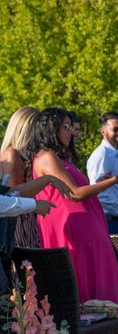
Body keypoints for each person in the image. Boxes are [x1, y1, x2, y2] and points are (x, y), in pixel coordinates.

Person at [28, 107, 118, 318]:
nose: (71, 132)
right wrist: (116, 180)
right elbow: (76, 193)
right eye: (66, 127)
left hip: (85, 229)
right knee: (86, 283)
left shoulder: (61, 159)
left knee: (97, 282)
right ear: (51, 129)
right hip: (73, 231)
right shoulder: (47, 156)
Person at [1, 106, 44, 248]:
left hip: (24, 218)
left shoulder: (19, 154)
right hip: (19, 224)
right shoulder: (12, 155)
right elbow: (14, 194)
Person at [86, 111, 118, 234]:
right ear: (103, 131)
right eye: (115, 129)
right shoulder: (101, 156)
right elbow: (99, 195)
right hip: (111, 223)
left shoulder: (114, 155)